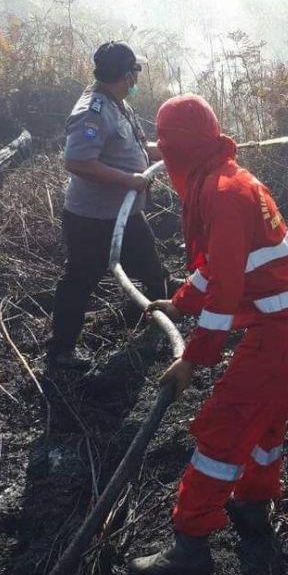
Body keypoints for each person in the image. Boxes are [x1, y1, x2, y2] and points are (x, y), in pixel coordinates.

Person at [127, 94, 288, 575]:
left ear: (179, 151)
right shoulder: (223, 178)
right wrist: (181, 302)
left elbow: (228, 287)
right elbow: (217, 266)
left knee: (222, 430)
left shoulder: (221, 193)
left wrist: (193, 359)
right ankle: (253, 508)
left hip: (281, 330)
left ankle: (190, 545)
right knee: (266, 421)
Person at [46, 41, 168, 369]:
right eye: (134, 72)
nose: (136, 79)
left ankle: (162, 306)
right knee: (80, 280)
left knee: (149, 260)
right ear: (127, 75)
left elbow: (141, 147)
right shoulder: (93, 110)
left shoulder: (118, 104)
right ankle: (62, 351)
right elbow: (78, 162)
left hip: (125, 215)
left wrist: (178, 149)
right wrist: (129, 181)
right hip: (91, 220)